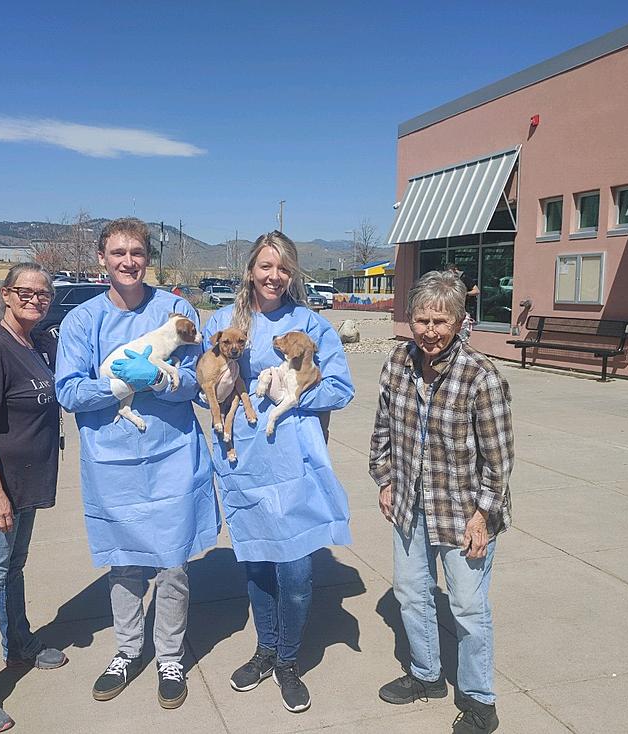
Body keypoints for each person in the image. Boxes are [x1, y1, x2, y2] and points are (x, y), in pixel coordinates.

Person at [54, 217, 218, 710]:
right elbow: (69, 390)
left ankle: (169, 654)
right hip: (113, 461)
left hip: (171, 455)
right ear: (101, 257)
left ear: (148, 258)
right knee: (124, 564)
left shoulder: (176, 310)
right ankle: (127, 649)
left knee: (172, 564)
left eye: (137, 253)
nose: (128, 262)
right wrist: (120, 385)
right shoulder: (84, 321)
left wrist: (161, 381)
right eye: (118, 252)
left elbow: (201, 384)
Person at [202, 231, 354, 714]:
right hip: (243, 462)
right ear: (251, 269)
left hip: (296, 460)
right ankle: (265, 649)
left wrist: (292, 392)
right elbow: (202, 378)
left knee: (297, 571)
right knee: (258, 563)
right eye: (266, 266)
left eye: (283, 268)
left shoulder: (311, 325)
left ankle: (288, 659)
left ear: (293, 274)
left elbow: (340, 388)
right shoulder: (225, 321)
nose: (274, 276)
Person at [369, 270, 513, 734]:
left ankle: (479, 702)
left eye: (441, 321)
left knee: (469, 609)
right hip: (410, 505)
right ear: (410, 320)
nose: (430, 331)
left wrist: (484, 516)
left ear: (459, 322)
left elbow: (499, 458)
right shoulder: (398, 362)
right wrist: (385, 479)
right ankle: (426, 674)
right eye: (422, 319)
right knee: (412, 594)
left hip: (463, 514)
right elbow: (384, 427)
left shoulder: (481, 377)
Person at [0, 262, 67, 733]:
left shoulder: (38, 343)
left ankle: (19, 643)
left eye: (44, 294)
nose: (36, 300)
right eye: (26, 292)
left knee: (12, 570)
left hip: (28, 485)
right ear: (5, 294)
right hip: (0, 491)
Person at [447, 263, 479, 341]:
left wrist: (465, 293)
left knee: (462, 336)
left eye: (450, 272)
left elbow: (477, 291)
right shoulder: (452, 279)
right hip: (453, 311)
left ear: (455, 270)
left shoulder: (465, 278)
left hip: (464, 310)